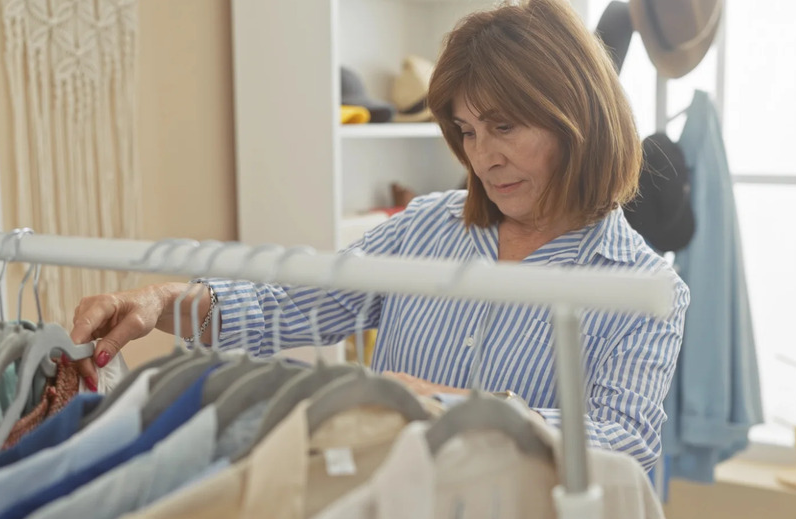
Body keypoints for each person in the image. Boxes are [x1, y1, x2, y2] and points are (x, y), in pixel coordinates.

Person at [69, 0, 690, 470]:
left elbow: (623, 443)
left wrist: (443, 404)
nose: (483, 157)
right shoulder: (423, 227)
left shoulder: (641, 287)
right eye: (468, 131)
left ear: (576, 117)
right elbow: (284, 305)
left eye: (504, 126)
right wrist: (159, 302)